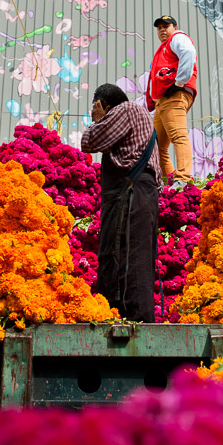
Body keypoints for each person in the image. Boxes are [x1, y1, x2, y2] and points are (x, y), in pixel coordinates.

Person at [81, 83, 161, 323]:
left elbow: (89, 141)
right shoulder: (137, 115)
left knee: (128, 258)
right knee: (132, 258)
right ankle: (127, 318)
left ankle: (132, 324)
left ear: (104, 104)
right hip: (140, 195)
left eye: (96, 107)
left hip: (132, 195)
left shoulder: (124, 110)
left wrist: (96, 120)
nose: (95, 113)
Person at [145, 15, 198, 185]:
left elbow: (188, 52)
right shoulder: (164, 48)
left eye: (166, 26)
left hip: (173, 96)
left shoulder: (177, 38)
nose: (162, 30)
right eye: (159, 27)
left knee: (178, 136)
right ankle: (170, 180)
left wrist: (179, 82)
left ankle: (182, 179)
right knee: (155, 146)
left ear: (175, 27)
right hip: (163, 100)